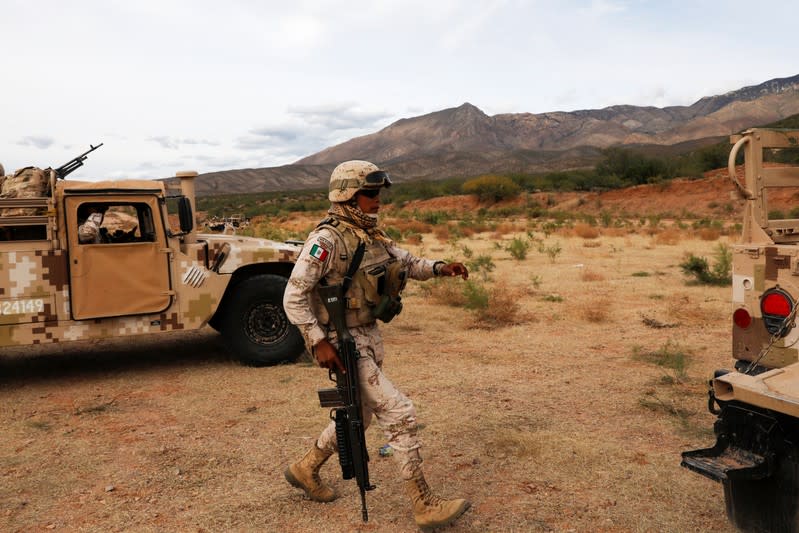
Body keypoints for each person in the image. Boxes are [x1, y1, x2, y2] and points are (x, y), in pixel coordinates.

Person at [282, 160, 471, 530]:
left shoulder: (371, 235)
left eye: (378, 192)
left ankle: (305, 468)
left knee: (362, 416)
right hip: (342, 343)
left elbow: (408, 262)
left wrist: (440, 268)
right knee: (399, 413)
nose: (377, 200)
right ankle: (424, 503)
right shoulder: (326, 240)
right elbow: (293, 296)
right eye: (369, 193)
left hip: (367, 336)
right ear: (348, 196)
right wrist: (317, 342)